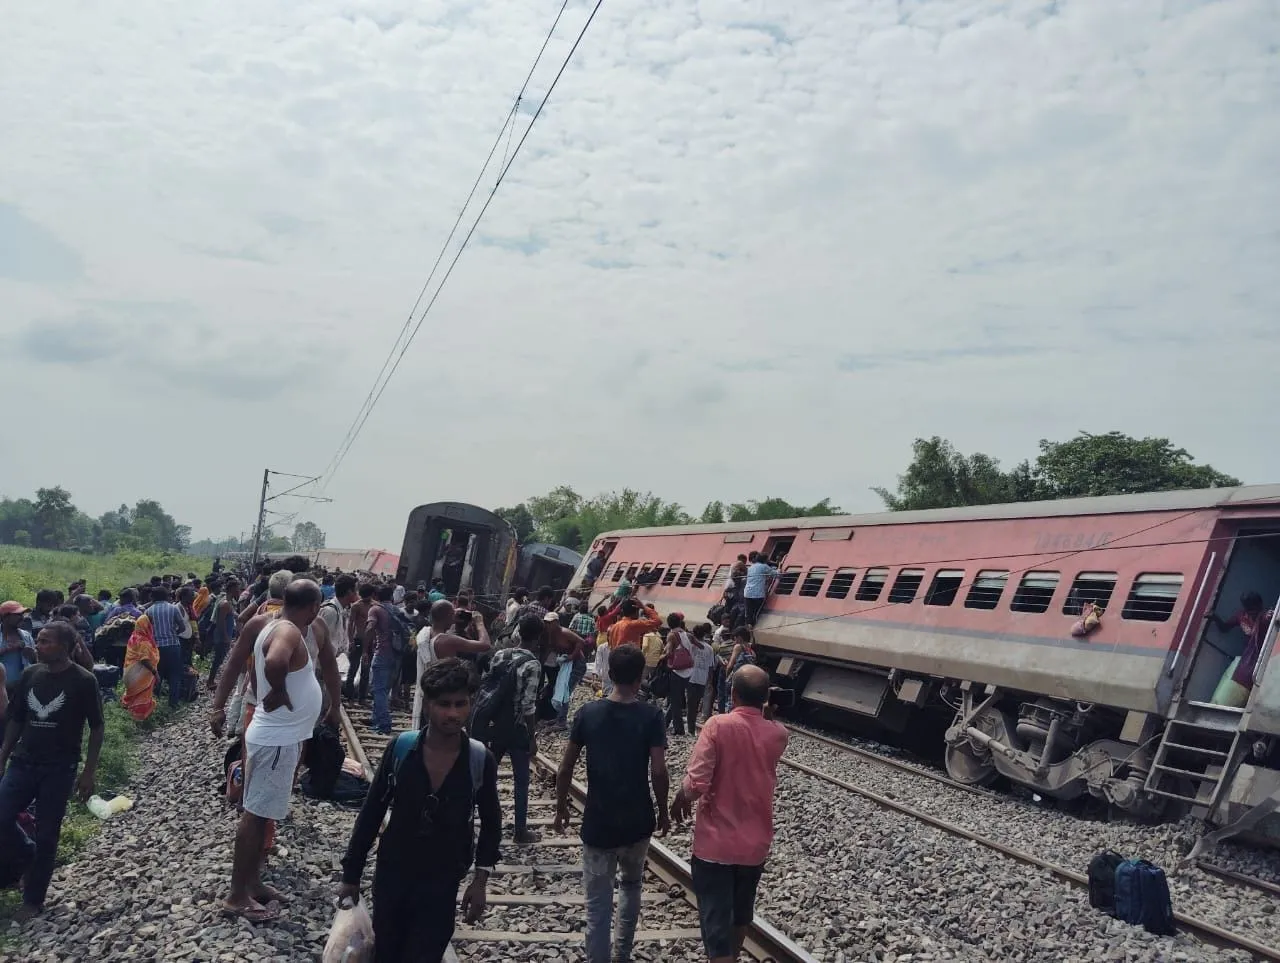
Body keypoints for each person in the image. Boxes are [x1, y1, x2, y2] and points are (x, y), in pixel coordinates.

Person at [339, 658, 499, 962]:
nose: (452, 713)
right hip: (393, 874)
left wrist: (480, 881)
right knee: (387, 950)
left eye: (460, 704)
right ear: (427, 705)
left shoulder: (480, 759)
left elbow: (492, 824)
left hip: (442, 879)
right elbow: (373, 811)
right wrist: (351, 874)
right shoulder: (402, 749)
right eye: (444, 704)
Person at [554, 644, 669, 963]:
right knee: (632, 887)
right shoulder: (651, 715)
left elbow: (565, 768)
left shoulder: (588, 713)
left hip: (598, 822)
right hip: (637, 821)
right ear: (640, 677)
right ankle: (623, 954)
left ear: (609, 674)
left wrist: (561, 806)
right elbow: (659, 770)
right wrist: (662, 812)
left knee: (597, 904)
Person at [221, 579, 324, 922]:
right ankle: (237, 896)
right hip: (277, 739)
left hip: (276, 736)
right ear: (312, 607)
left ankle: (252, 884)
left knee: (260, 812)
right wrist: (278, 690)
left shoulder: (271, 623)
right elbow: (276, 661)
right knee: (254, 816)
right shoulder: (289, 631)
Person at [670, 665, 788, 963]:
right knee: (740, 916)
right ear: (765, 698)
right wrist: (768, 717)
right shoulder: (779, 734)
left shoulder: (718, 725)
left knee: (716, 928)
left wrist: (680, 795)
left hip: (716, 845)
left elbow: (697, 784)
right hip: (754, 847)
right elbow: (769, 733)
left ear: (733, 693)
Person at [0, 620, 105, 921]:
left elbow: (96, 727)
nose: (38, 645)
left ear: (64, 647)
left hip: (58, 767)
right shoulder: (31, 675)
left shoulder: (83, 681)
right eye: (39, 639)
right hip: (23, 762)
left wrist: (89, 771)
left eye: (46, 641)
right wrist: (3, 755)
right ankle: (28, 855)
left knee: (48, 833)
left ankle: (33, 900)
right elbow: (17, 719)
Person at [482, 614, 544, 844]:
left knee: (486, 776)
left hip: (495, 725)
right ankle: (520, 831)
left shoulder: (500, 654)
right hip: (517, 728)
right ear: (538, 637)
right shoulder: (532, 664)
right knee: (521, 780)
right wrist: (532, 736)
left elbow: (486, 686)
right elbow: (528, 705)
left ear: (517, 632)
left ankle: (473, 821)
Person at [411, 600, 492, 728]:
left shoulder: (425, 633)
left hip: (429, 692)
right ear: (448, 616)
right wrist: (479, 622)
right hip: (445, 692)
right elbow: (485, 645)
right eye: (453, 614)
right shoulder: (446, 640)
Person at [1210, 590, 1277, 698]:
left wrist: (1270, 617)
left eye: (1255, 609)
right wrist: (1215, 618)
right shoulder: (1241, 616)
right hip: (1248, 659)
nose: (1252, 612)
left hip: (1265, 658)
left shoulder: (1265, 616)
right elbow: (1225, 628)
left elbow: (1267, 619)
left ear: (1260, 605)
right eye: (1249, 609)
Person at [147, 586, 192, 708]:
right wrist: (173, 633)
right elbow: (182, 627)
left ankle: (155, 701)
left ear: (153, 597)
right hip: (173, 645)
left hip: (156, 647)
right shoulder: (173, 608)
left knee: (158, 673)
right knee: (175, 674)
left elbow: (147, 630)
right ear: (166, 596)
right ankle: (173, 703)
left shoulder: (148, 611)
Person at [365, 583, 400, 734]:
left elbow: (370, 627)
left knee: (378, 690)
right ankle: (376, 720)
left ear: (376, 596)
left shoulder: (376, 609)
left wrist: (365, 650)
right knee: (384, 690)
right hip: (396, 655)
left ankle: (384, 724)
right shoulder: (397, 609)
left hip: (382, 653)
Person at [345, 582, 375, 702]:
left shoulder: (375, 606)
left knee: (366, 670)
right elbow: (351, 624)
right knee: (353, 667)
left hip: (369, 642)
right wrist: (351, 640)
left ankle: (362, 696)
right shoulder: (356, 606)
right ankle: (349, 694)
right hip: (358, 640)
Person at [0, 603, 36, 697]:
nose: (22, 618)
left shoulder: (26, 636)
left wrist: (33, 655)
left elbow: (34, 661)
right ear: (5, 617)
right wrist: (6, 649)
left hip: (23, 689)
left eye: (22, 614)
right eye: (18, 615)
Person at [719, 626, 757, 714]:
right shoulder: (752, 652)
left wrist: (727, 676)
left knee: (730, 702)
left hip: (735, 680)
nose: (734, 641)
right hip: (746, 682)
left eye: (735, 638)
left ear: (739, 637)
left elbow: (730, 665)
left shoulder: (738, 647)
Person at [686, 623, 716, 731]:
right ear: (704, 634)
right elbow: (711, 666)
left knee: (691, 704)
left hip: (690, 677)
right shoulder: (709, 648)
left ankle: (690, 728)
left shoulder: (691, 646)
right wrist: (710, 680)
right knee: (696, 703)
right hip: (702, 679)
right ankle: (691, 726)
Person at [743, 552, 779, 626]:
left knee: (749, 613)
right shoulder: (764, 566)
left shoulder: (751, 567)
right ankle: (752, 627)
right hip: (757, 594)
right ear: (765, 560)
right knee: (756, 612)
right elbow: (776, 574)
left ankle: (748, 626)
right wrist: (779, 570)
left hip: (747, 593)